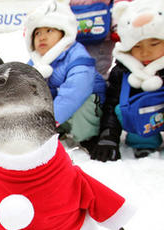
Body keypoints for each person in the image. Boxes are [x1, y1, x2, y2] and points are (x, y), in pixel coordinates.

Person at [90, 0, 164, 162]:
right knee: (122, 109)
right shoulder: (122, 70)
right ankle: (143, 142)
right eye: (137, 46)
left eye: (154, 43)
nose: (146, 52)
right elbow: (111, 105)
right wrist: (108, 136)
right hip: (144, 122)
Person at [25, 0, 106, 149]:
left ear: (63, 33)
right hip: (61, 111)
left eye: (49, 31)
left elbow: (75, 92)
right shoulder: (36, 61)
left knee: (85, 103)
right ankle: (58, 128)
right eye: (37, 33)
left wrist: (48, 122)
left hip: (87, 105)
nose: (42, 37)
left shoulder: (77, 55)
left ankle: (88, 136)